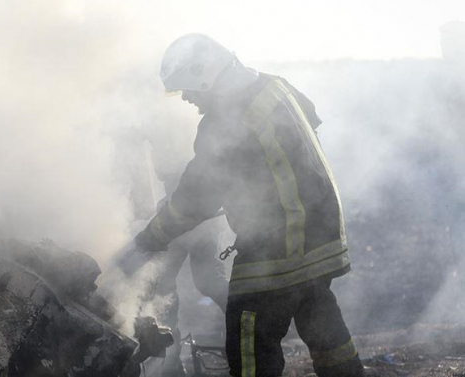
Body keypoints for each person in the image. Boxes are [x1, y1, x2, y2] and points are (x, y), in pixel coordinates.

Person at [130, 34, 365, 377]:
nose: (188, 100)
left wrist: (150, 238)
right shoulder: (276, 86)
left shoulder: (224, 120)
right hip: (321, 237)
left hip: (278, 249)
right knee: (325, 331)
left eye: (189, 90)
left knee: (248, 339)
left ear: (204, 75)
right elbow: (308, 126)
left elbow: (195, 197)